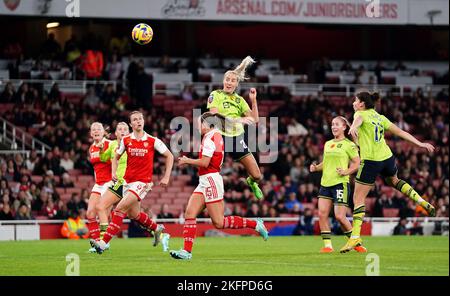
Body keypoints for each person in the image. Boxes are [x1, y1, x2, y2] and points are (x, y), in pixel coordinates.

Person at [340, 90, 435, 253]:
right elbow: (401, 132)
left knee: (358, 198)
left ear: (362, 104)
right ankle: (421, 201)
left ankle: (355, 237)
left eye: (355, 100)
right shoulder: (380, 117)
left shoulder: (359, 114)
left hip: (371, 160)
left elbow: (357, 121)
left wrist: (353, 128)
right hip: (387, 157)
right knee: (394, 181)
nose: (353, 103)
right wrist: (420, 144)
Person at [170, 112, 268, 260]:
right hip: (204, 180)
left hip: (211, 180)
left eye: (199, 123)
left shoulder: (211, 138)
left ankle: (255, 224)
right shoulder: (214, 135)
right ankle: (186, 251)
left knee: (219, 223)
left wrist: (187, 160)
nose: (197, 126)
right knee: (190, 213)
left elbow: (204, 163)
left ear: (207, 124)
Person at [91, 111, 173, 254]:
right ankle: (158, 230)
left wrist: (166, 176)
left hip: (142, 182)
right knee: (133, 214)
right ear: (131, 124)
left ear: (143, 121)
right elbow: (115, 157)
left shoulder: (153, 140)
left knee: (119, 209)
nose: (138, 121)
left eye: (140, 118)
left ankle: (103, 243)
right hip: (126, 182)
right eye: (134, 120)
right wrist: (114, 173)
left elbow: (169, 156)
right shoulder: (126, 140)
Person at [207, 56, 264, 200]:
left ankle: (250, 182)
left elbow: (255, 119)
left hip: (236, 139)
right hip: (219, 136)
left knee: (257, 175)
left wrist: (253, 100)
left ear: (237, 83)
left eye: (232, 80)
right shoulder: (216, 95)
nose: (229, 82)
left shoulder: (240, 100)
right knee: (210, 171)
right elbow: (213, 113)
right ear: (223, 81)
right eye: (227, 79)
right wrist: (233, 120)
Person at [310, 116, 366, 253]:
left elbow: (357, 163)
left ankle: (356, 241)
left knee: (340, 217)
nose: (333, 127)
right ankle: (328, 246)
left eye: (337, 124)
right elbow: (327, 162)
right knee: (322, 214)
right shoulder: (328, 143)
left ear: (344, 127)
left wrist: (346, 171)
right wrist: (316, 167)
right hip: (325, 183)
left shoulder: (349, 145)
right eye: (332, 124)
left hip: (340, 184)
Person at [85, 123, 113, 249]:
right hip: (98, 183)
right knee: (90, 213)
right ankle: (97, 241)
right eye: (93, 130)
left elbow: (115, 162)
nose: (96, 131)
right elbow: (96, 168)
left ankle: (104, 242)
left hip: (109, 182)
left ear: (103, 132)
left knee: (104, 212)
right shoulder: (91, 148)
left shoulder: (110, 144)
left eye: (99, 129)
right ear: (91, 133)